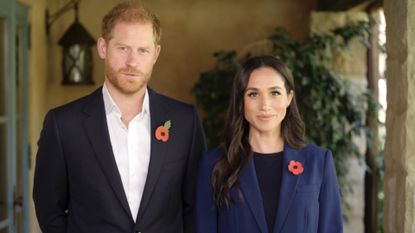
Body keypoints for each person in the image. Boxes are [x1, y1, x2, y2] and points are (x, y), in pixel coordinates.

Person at [33, 2, 205, 233]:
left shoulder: (185, 122)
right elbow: (49, 209)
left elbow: (195, 206)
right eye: (123, 48)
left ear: (156, 54)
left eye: (142, 50)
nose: (132, 61)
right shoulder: (63, 124)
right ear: (103, 48)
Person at [195, 55, 343, 233]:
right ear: (241, 101)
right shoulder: (213, 164)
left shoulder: (319, 162)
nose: (265, 105)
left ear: (289, 97)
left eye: (275, 93)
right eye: (253, 94)